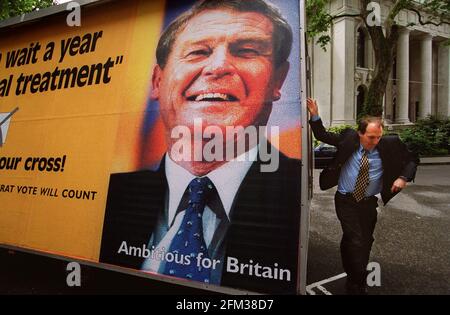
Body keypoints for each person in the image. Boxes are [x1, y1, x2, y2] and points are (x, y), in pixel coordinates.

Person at [100, 0, 301, 294]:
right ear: (157, 81)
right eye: (198, 52)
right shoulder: (111, 197)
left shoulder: (295, 198)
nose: (218, 67)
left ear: (278, 79)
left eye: (246, 51)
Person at [307, 98, 419, 295]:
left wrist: (403, 177)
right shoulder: (348, 138)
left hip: (368, 202)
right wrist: (315, 114)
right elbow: (321, 134)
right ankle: (357, 284)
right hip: (345, 200)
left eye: (378, 137)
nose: (375, 142)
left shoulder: (390, 144)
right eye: (370, 137)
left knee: (365, 241)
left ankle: (354, 277)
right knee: (356, 239)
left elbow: (412, 159)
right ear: (360, 133)